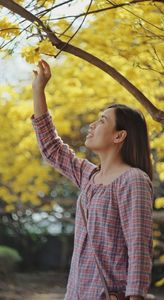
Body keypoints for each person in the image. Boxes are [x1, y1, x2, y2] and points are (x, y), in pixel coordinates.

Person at [31, 59, 154, 300]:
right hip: (76, 293)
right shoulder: (89, 176)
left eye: (102, 121)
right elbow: (51, 148)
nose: (92, 125)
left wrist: (135, 296)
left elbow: (139, 247)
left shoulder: (133, 180)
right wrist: (38, 89)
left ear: (120, 136)